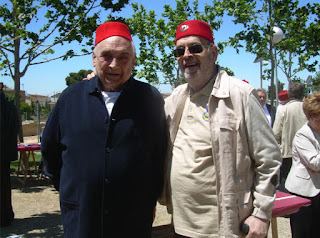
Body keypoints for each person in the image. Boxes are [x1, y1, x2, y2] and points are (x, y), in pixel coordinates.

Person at [41, 21, 168, 238]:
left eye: (123, 57)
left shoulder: (150, 98)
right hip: (82, 217)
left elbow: (159, 155)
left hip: (133, 218)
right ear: (93, 59)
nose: (114, 64)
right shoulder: (71, 97)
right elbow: (50, 150)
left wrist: (149, 199)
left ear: (134, 61)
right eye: (106, 56)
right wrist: (74, 189)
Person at [160, 20, 281, 238]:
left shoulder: (241, 95)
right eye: (180, 50)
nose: (186, 55)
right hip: (181, 224)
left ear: (213, 53)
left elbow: (269, 159)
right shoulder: (175, 98)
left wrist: (262, 214)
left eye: (195, 48)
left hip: (226, 227)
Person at [285, 92, 320, 238]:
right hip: (303, 192)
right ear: (307, 116)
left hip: (317, 189)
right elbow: (316, 163)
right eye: (316, 120)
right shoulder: (303, 135)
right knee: (303, 233)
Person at [273, 82, 307, 193]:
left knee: (286, 183)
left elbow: (275, 133)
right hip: (307, 153)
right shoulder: (307, 109)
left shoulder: (284, 109)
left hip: (288, 153)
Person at [0, 85, 19, 227]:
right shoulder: (10, 107)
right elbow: (16, 127)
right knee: (5, 185)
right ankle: (6, 214)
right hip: (6, 153)